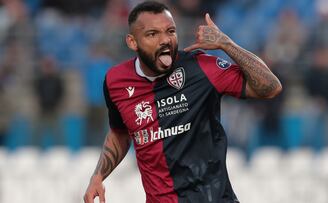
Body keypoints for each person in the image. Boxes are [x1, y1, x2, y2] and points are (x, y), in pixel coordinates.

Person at [83, 1, 282, 203]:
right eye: (153, 34)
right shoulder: (116, 81)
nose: (165, 40)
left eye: (170, 31)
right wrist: (98, 176)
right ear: (132, 42)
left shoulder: (201, 68)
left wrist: (226, 44)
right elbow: (120, 131)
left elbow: (271, 87)